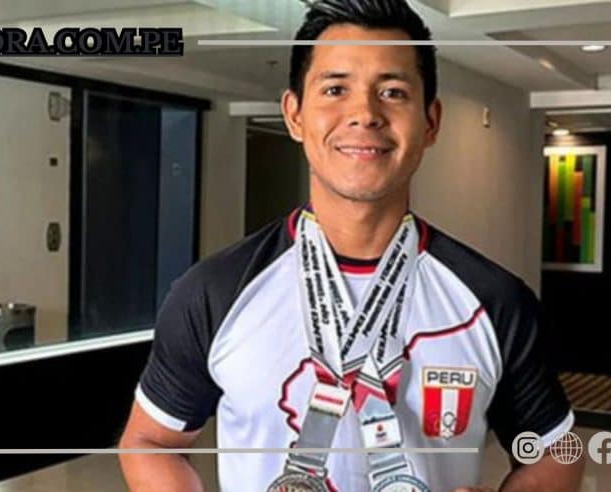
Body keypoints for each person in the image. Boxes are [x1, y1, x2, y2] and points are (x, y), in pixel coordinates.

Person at [119, 1, 583, 490]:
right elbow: (149, 441)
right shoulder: (214, 292)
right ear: (295, 115)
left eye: (393, 92)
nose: (365, 114)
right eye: (336, 89)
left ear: (430, 122)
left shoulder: (494, 300)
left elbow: (561, 451)